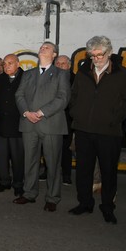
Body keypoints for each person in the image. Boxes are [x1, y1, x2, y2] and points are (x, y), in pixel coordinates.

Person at [67, 36, 126, 224]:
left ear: (109, 52)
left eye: (100, 54)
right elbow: (73, 98)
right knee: (83, 170)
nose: (97, 58)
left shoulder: (123, 74)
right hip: (83, 130)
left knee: (108, 171)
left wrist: (114, 119)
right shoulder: (83, 73)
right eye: (93, 55)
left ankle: (107, 206)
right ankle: (84, 203)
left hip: (109, 132)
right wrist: (77, 114)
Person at [14, 41, 71, 211]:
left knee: (53, 163)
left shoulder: (61, 74)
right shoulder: (28, 73)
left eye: (47, 47)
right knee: (30, 161)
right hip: (29, 124)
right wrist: (26, 112)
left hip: (51, 125)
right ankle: (29, 193)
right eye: (41, 47)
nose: (42, 48)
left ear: (54, 55)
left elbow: (63, 98)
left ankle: (52, 197)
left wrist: (40, 112)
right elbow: (19, 94)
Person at [0, 54, 25, 195]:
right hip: (1, 124)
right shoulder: (0, 79)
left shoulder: (26, 78)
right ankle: (4, 181)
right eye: (4, 64)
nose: (7, 66)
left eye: (10, 63)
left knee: (18, 157)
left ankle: (18, 184)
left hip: (18, 125)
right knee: (2, 156)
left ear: (18, 63)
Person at [54, 54, 75, 185]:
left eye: (63, 63)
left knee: (66, 149)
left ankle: (66, 174)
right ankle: (48, 170)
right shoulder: (50, 77)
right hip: (50, 117)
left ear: (69, 65)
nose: (60, 66)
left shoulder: (76, 79)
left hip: (68, 119)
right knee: (48, 146)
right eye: (58, 63)